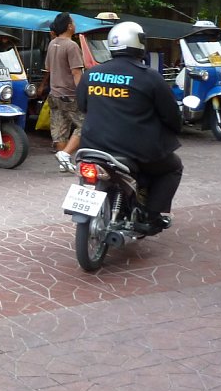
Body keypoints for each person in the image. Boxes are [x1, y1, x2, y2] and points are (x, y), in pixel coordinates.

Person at [76, 21, 184, 235]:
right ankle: (152, 216)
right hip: (135, 150)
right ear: (138, 43)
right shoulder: (149, 77)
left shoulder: (92, 74)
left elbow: (82, 106)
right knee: (173, 167)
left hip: (92, 145)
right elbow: (171, 115)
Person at [44, 12, 85, 172]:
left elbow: (48, 68)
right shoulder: (71, 45)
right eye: (73, 22)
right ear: (69, 26)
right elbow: (76, 73)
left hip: (54, 94)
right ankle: (66, 155)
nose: (75, 25)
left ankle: (63, 163)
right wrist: (82, 94)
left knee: (60, 130)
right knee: (86, 126)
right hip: (70, 95)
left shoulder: (52, 43)